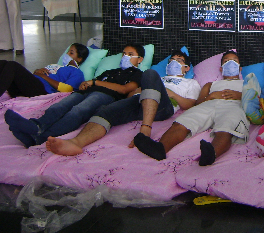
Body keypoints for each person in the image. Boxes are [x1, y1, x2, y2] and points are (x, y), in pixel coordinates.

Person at [45, 50, 201, 156]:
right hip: (139, 101)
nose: (173, 62)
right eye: (171, 60)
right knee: (106, 110)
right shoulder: (160, 78)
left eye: (179, 61)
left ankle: (145, 131)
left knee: (150, 74)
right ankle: (75, 142)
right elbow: (132, 93)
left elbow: (190, 105)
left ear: (186, 68)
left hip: (163, 106)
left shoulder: (190, 83)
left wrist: (171, 93)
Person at [4, 44, 145, 148]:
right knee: (59, 106)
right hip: (84, 92)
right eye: (123, 54)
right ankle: (36, 126)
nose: (125, 57)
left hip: (106, 96)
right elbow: (88, 83)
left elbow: (124, 89)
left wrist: (96, 82)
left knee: (77, 111)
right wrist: (85, 84)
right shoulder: (111, 71)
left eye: (130, 54)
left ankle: (41, 138)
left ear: (140, 59)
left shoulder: (138, 74)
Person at [134, 50, 247, 166]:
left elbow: (255, 100)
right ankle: (160, 148)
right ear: (221, 69)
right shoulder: (210, 84)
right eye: (226, 61)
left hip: (233, 106)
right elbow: (198, 103)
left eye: (234, 61)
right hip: (208, 105)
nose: (230, 63)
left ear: (240, 68)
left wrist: (240, 95)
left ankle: (212, 154)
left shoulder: (246, 83)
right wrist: (211, 96)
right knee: (182, 121)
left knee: (226, 128)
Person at [0, 43, 89, 98]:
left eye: (71, 53)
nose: (67, 54)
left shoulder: (76, 72)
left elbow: (67, 89)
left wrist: (43, 76)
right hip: (26, 88)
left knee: (13, 66)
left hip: (41, 90)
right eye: (68, 51)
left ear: (80, 59)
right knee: (3, 63)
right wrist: (38, 71)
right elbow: (35, 75)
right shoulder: (57, 66)